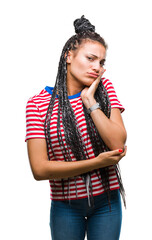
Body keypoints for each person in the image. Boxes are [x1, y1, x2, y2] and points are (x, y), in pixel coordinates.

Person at [25, 15, 127, 240]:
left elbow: (118, 144)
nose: (97, 68)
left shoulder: (103, 89)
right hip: (65, 206)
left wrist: (90, 102)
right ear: (68, 56)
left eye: (101, 62)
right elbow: (40, 169)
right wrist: (96, 163)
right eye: (90, 58)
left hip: (107, 203)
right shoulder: (38, 104)